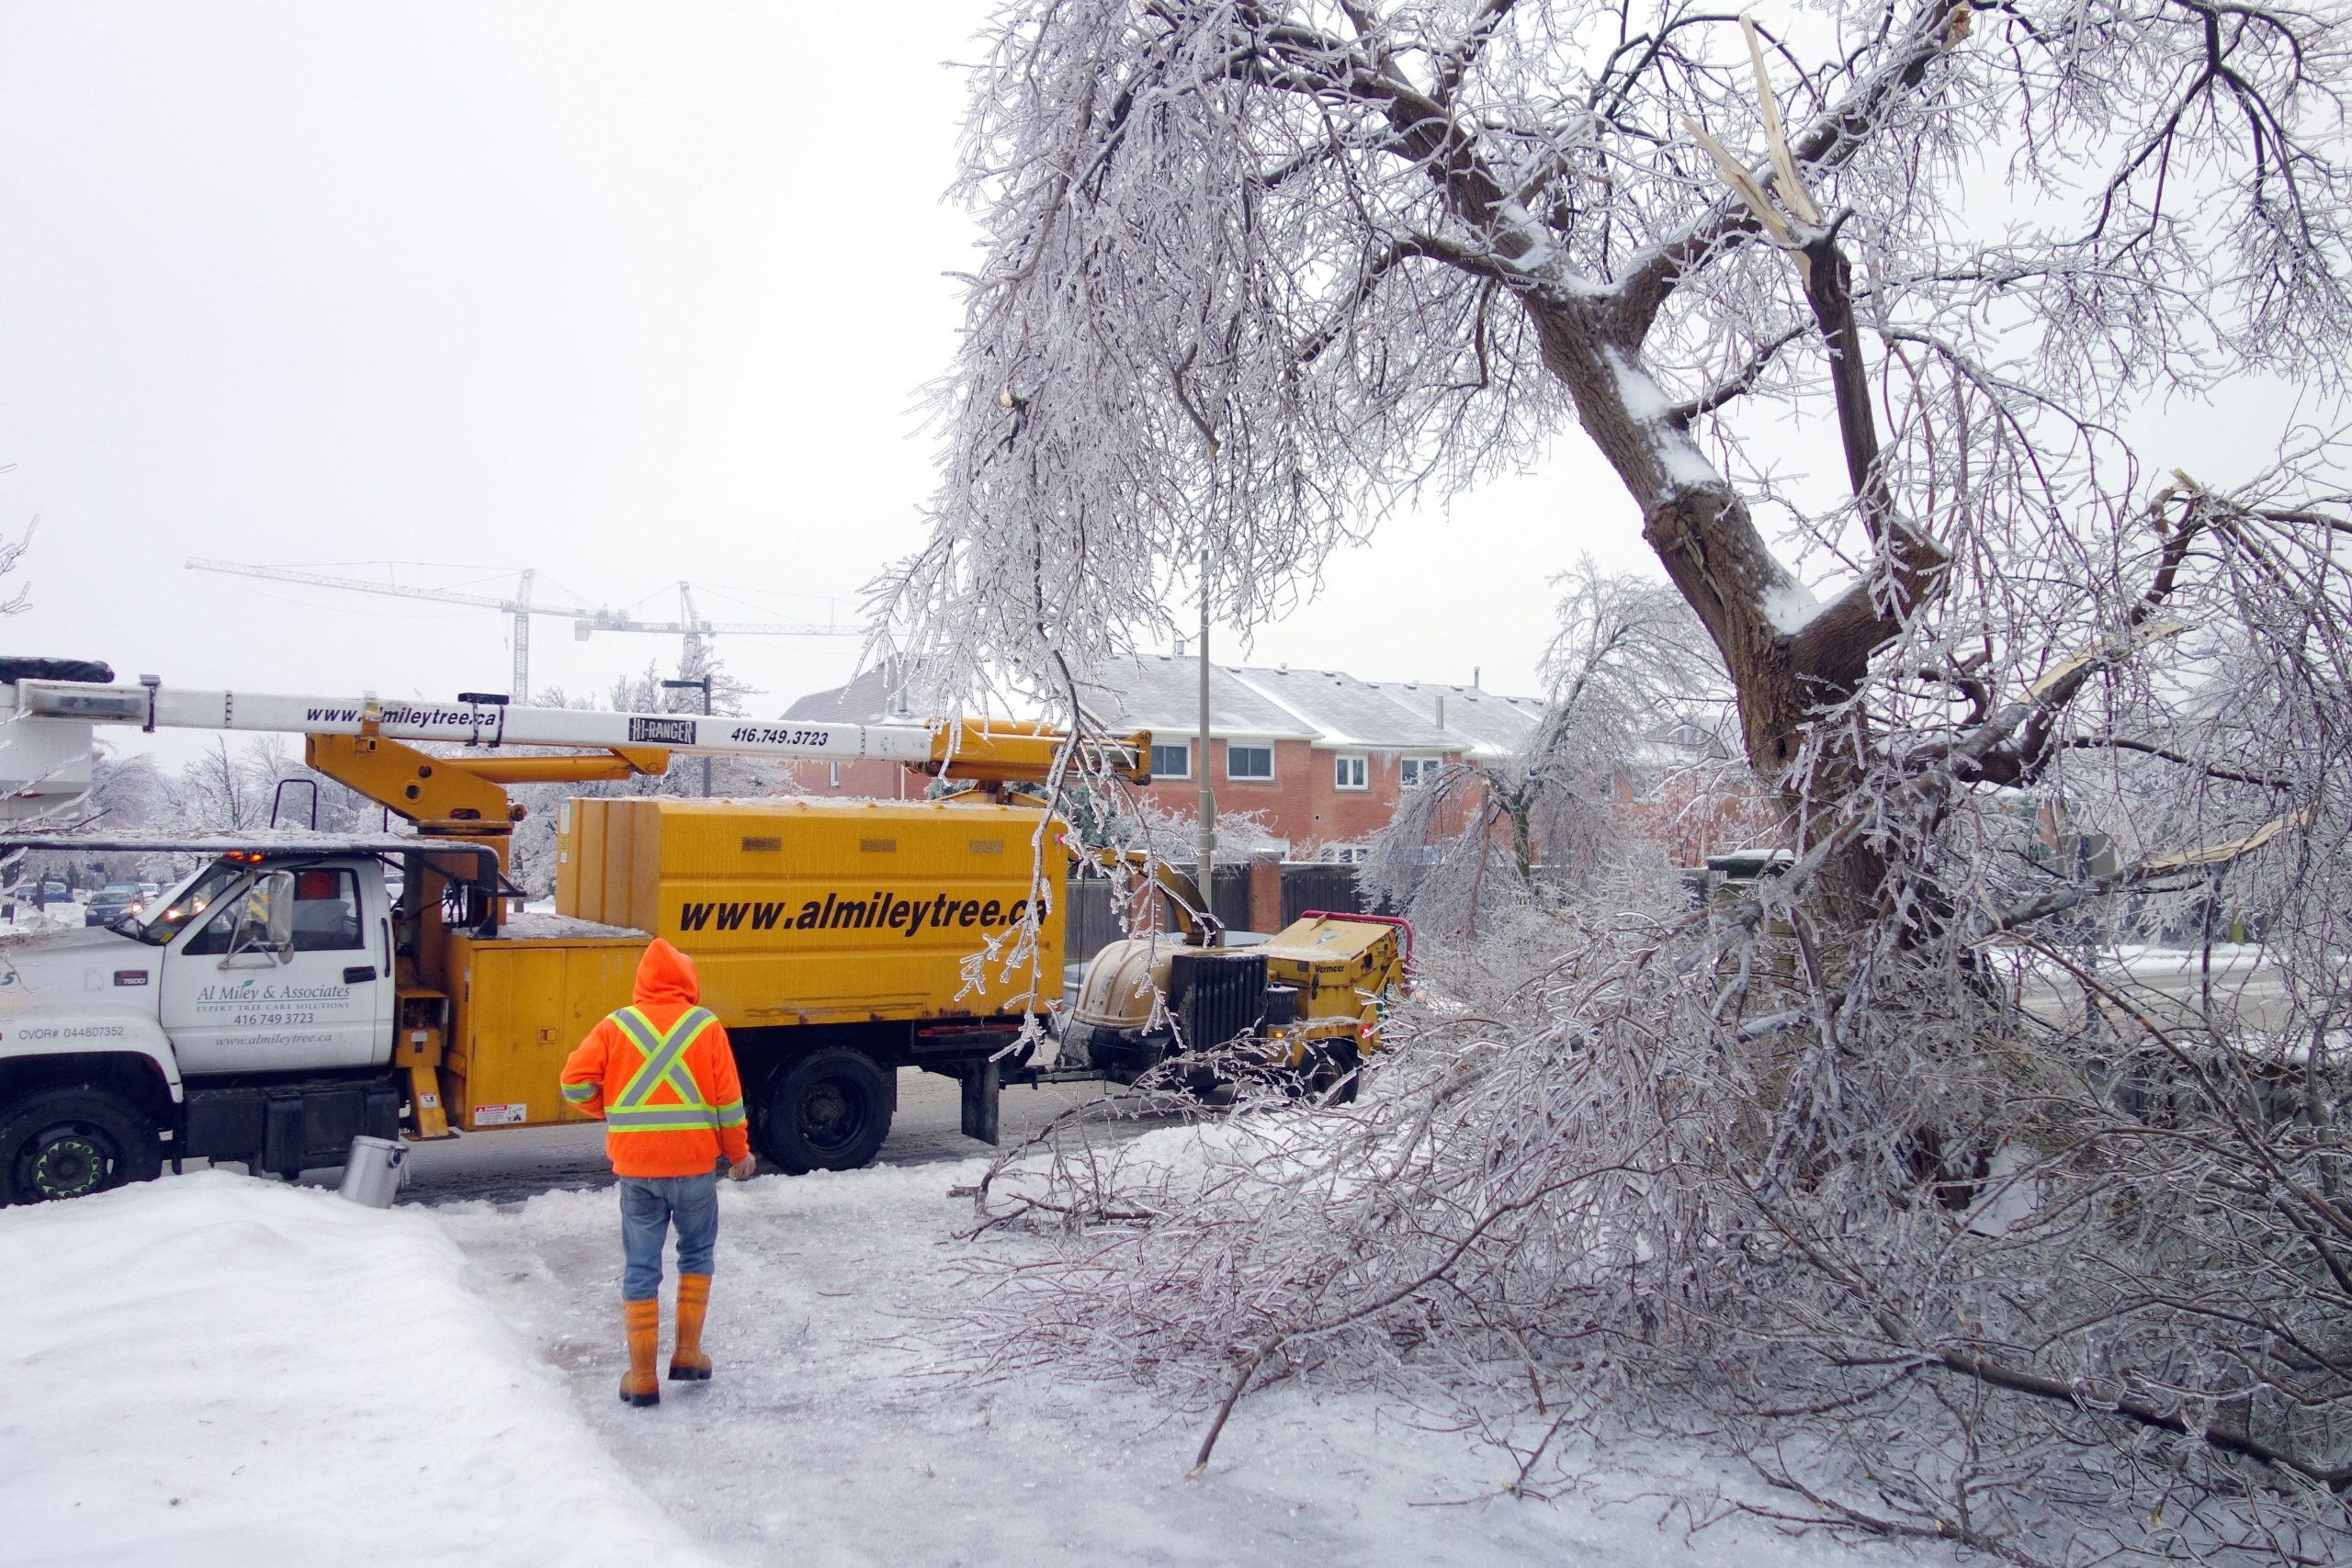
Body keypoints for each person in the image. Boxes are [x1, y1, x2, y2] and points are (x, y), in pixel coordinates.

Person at [559, 938, 758, 1407]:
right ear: (688, 981)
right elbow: (728, 1102)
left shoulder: (615, 1026)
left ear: (643, 982)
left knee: (641, 1267)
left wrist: (610, 1109)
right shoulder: (704, 1026)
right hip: (693, 1170)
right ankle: (688, 1353)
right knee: (696, 1255)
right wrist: (738, 1154)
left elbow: (572, 1084)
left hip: (637, 1172)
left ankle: (642, 1377)